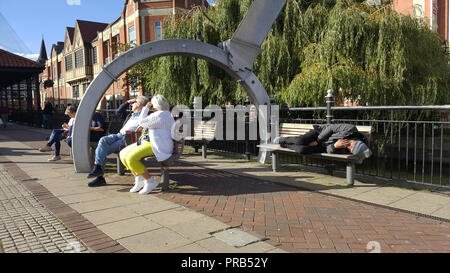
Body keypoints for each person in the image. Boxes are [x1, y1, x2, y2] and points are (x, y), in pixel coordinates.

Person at [87, 96, 149, 187]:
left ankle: (99, 176)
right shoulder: (130, 115)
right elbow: (118, 112)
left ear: (139, 105)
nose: (132, 105)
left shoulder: (145, 115)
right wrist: (128, 102)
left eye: (134, 103)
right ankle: (98, 168)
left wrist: (145, 106)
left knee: (102, 150)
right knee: (103, 140)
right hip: (118, 135)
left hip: (128, 138)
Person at [119, 94, 175, 195]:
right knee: (123, 154)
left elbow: (141, 121)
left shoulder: (161, 115)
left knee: (131, 158)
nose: (151, 106)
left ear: (155, 105)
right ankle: (139, 179)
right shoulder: (161, 114)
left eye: (152, 104)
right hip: (150, 142)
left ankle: (150, 181)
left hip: (158, 145)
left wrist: (145, 108)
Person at [274, 124, 372, 163]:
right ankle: (284, 139)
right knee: (301, 141)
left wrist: (334, 146)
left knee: (303, 150)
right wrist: (317, 140)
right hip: (319, 133)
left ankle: (285, 145)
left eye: (351, 150)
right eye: (352, 145)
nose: (349, 147)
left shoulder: (345, 148)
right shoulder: (350, 129)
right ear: (358, 141)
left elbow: (328, 151)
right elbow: (331, 128)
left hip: (322, 147)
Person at [39, 106, 106, 161]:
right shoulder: (88, 117)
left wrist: (88, 128)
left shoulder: (95, 115)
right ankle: (53, 151)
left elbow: (101, 128)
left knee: (59, 136)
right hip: (78, 134)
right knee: (56, 133)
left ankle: (54, 151)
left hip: (89, 137)